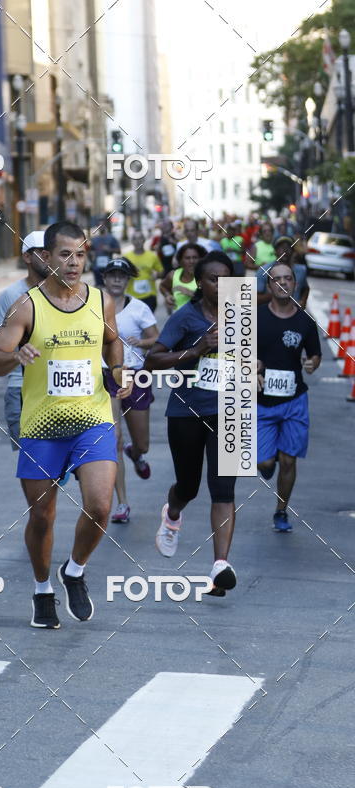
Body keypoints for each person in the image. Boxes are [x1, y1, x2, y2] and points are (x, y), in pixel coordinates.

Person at [0, 221, 131, 628]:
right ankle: (42, 587)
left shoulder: (101, 301)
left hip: (93, 420)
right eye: (65, 254)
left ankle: (75, 571)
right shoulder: (26, 306)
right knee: (42, 516)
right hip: (42, 426)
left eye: (81, 255)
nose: (73, 262)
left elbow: (112, 340)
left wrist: (118, 370)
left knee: (101, 505)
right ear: (46, 257)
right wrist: (16, 356)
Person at [145, 251, 238, 596]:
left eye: (227, 278)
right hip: (186, 411)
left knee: (224, 489)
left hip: (229, 411)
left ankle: (220, 565)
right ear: (200, 282)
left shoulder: (240, 316)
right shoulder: (185, 317)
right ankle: (172, 513)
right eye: (214, 279)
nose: (222, 284)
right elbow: (153, 360)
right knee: (189, 486)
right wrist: (196, 351)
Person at [256, 262, 321, 532]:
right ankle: (266, 464)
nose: (283, 283)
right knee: (264, 462)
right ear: (269, 285)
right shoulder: (254, 318)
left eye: (288, 279)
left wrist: (312, 364)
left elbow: (315, 354)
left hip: (294, 399)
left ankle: (281, 511)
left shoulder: (305, 321)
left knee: (289, 460)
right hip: (260, 401)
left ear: (295, 284)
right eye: (277, 279)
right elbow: (235, 353)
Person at [101, 258, 159, 523]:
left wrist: (142, 341)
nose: (116, 280)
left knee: (142, 443)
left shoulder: (139, 308)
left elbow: (157, 339)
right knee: (114, 438)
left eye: (121, 276)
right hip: (105, 376)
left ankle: (135, 454)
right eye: (112, 275)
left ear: (128, 280)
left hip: (134, 376)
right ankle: (122, 504)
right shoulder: (93, 306)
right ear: (104, 278)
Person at [0, 231, 48, 449]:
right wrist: (17, 348)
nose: (47, 257)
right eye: (41, 253)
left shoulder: (66, 293)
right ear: (27, 257)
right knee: (30, 463)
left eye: (50, 252)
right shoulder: (11, 295)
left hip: (58, 390)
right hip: (19, 387)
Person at [256, 235, 309, 309]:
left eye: (288, 247)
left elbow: (305, 288)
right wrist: (276, 294)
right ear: (275, 251)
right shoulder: (264, 270)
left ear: (293, 251)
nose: (285, 250)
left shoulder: (301, 270)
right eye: (281, 247)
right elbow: (254, 299)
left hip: (294, 315)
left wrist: (303, 301)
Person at [159, 243, 206, 311]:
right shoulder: (173, 275)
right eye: (187, 258)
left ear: (200, 259)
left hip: (200, 319)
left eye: (195, 257)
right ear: (180, 261)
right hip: (178, 320)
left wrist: (190, 293)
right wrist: (167, 295)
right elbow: (162, 286)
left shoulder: (205, 276)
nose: (191, 261)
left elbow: (213, 300)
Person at [125, 231, 164, 312]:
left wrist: (157, 275)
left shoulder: (152, 256)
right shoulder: (126, 257)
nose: (137, 241)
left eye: (140, 238)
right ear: (132, 241)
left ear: (144, 240)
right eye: (135, 239)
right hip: (132, 296)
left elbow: (161, 271)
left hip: (149, 295)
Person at [89, 222, 121, 286]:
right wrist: (91, 259)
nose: (101, 227)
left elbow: (119, 251)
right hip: (97, 268)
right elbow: (89, 251)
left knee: (109, 286)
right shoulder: (94, 239)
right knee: (99, 287)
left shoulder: (111, 238)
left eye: (102, 225)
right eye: (99, 225)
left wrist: (110, 250)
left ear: (106, 226)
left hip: (108, 267)